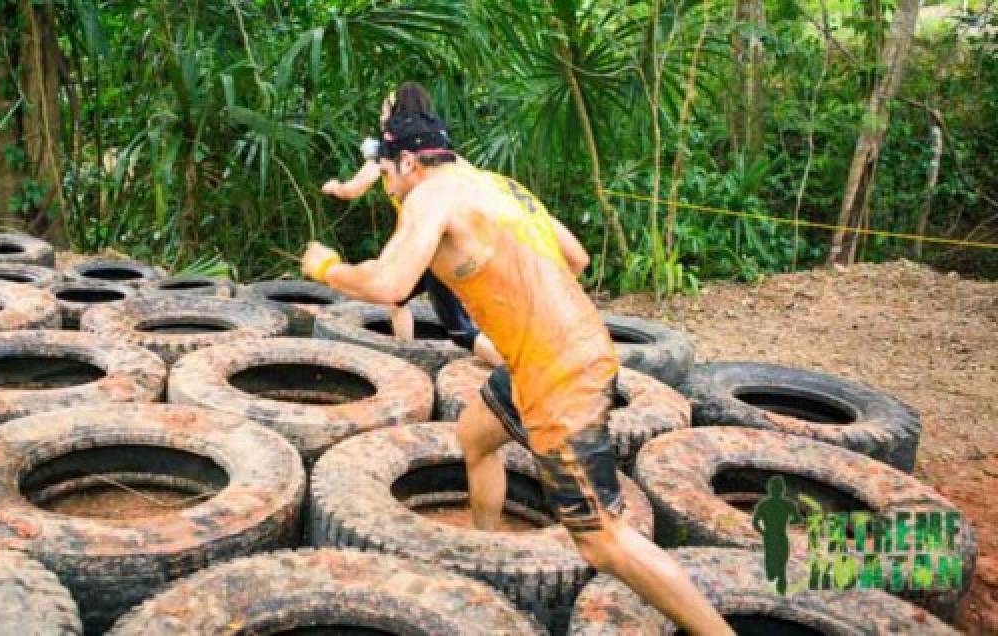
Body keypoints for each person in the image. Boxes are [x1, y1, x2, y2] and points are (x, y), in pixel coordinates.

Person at [302, 108, 733, 635]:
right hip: (551, 354)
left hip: (559, 373)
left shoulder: (429, 197)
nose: (389, 187)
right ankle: (489, 548)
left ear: (410, 161)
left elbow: (389, 285)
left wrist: (325, 268)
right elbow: (576, 257)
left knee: (601, 539)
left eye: (389, 174)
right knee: (476, 434)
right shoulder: (497, 186)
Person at [323, 82, 503, 366]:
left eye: (385, 108)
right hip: (435, 245)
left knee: (460, 328)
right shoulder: (444, 156)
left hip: (433, 247)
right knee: (397, 301)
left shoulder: (388, 155)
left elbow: (353, 189)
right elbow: (480, 184)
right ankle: (407, 355)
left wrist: (335, 187)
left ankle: (516, 368)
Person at [752, 476, 803, 594]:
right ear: (783, 489)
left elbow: (755, 523)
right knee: (780, 568)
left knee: (774, 569)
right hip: (780, 536)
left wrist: (763, 532)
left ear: (770, 489)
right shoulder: (789, 504)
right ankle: (780, 589)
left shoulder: (764, 504)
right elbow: (798, 520)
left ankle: (778, 589)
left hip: (769, 537)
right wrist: (790, 522)